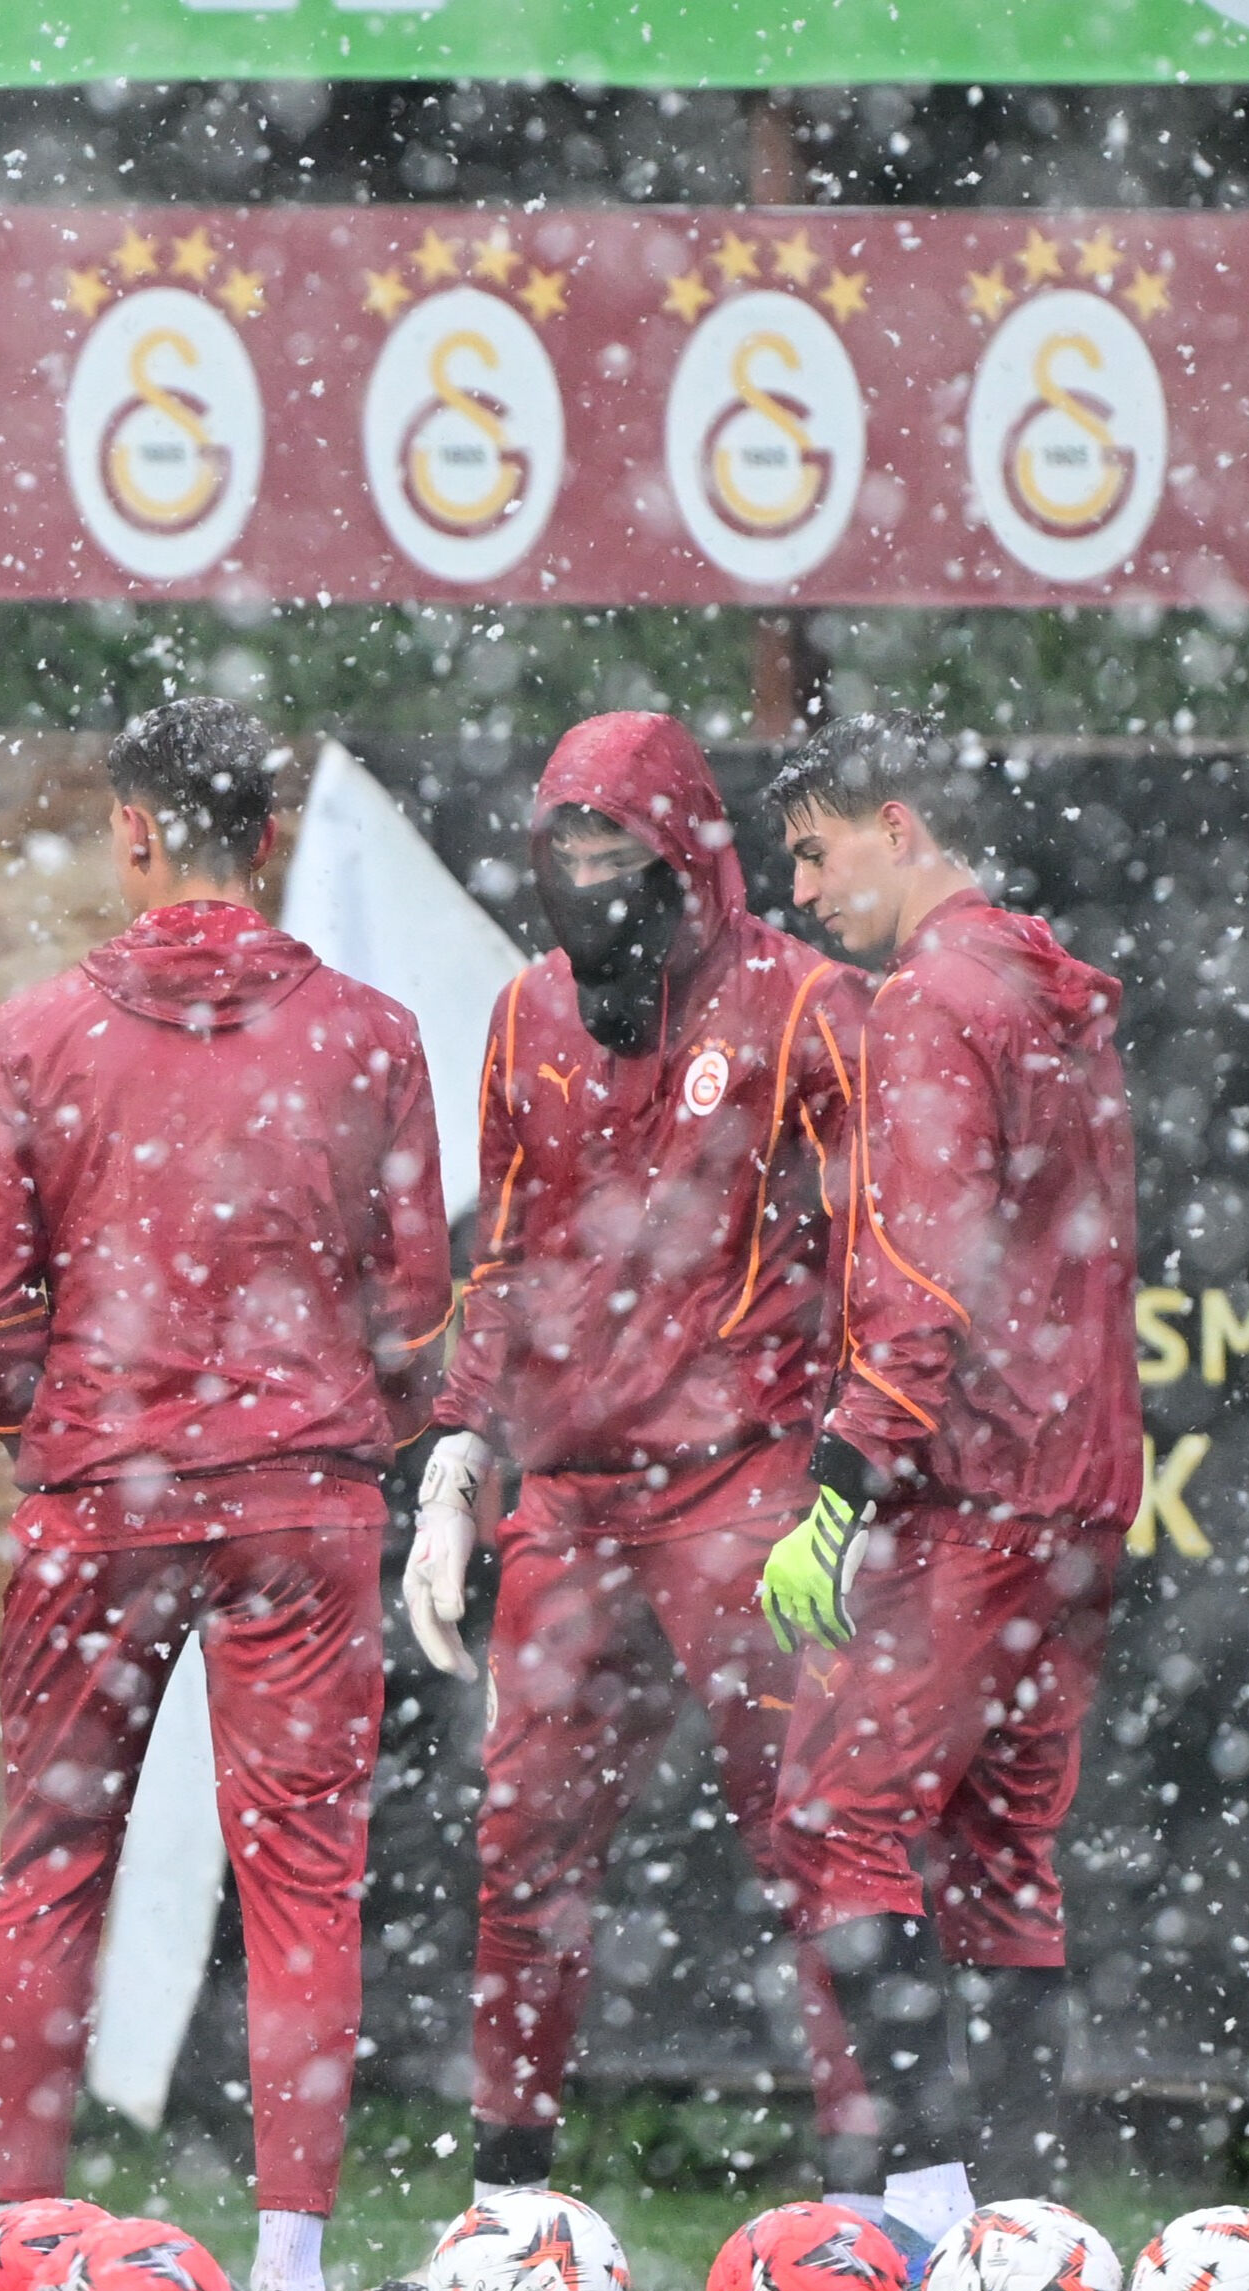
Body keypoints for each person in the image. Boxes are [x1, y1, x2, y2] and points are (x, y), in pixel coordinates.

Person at [0, 697, 445, 2291]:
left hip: (104, 1498)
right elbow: (417, 1309)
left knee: (49, 1866)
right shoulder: (369, 1034)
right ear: (271, 838)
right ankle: (288, 2271)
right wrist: (345, 1429)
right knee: (306, 1879)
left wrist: (66, 1426)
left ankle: (24, 2252)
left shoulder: (37, 1037)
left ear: (133, 837)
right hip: (303, 1503)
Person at [401, 710, 880, 2205]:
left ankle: (887, 2199)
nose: (597, 878)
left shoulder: (808, 1006)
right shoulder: (528, 1013)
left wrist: (857, 1475)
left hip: (746, 1480)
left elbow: (889, 1257)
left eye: (623, 850)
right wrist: (455, 1461)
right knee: (525, 1847)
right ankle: (508, 2200)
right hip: (574, 1489)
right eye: (571, 851)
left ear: (690, 849)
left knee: (821, 1841)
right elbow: (514, 1255)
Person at [757, 711, 1141, 2253]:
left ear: (897, 826)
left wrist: (838, 1486)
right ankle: (1029, 2228)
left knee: (845, 1820)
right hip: (1084, 1483)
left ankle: (920, 2220)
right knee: (1006, 1857)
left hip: (972, 1483)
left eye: (813, 849)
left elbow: (924, 1285)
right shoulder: (1055, 990)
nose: (797, 890)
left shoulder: (928, 1003)